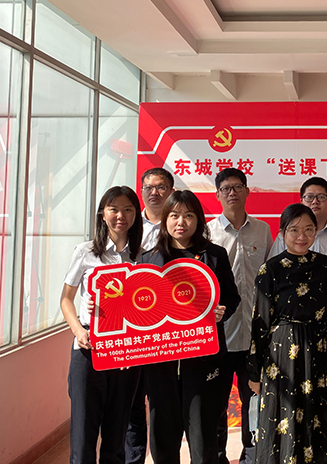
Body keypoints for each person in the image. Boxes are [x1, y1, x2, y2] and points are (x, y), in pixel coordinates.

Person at [141, 190, 241, 464]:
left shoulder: (215, 255)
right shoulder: (148, 259)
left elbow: (232, 297)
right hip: (161, 363)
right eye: (174, 215)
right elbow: (141, 309)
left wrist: (222, 312)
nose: (181, 222)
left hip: (203, 360)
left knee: (203, 436)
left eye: (188, 215)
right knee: (163, 436)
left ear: (198, 220)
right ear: (165, 219)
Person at [60, 185, 144, 464]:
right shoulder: (86, 251)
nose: (121, 216)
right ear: (103, 213)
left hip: (127, 352)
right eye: (114, 209)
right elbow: (66, 299)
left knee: (116, 434)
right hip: (89, 348)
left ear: (136, 214)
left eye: (128, 209)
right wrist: (78, 331)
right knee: (83, 434)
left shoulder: (143, 256)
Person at [248, 203, 327, 464]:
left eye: (309, 229)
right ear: (282, 233)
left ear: (316, 231)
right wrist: (254, 371)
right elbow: (260, 322)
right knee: (282, 415)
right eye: (294, 230)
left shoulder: (325, 265)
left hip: (317, 353)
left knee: (316, 417)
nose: (302, 236)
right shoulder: (270, 269)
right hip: (281, 357)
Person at [207, 168, 272, 464]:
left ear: (247, 191)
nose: (232, 193)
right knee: (216, 404)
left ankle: (251, 457)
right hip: (219, 335)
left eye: (237, 187)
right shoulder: (208, 232)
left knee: (254, 403)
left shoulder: (263, 230)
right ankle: (218, 457)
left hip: (255, 335)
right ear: (218, 195)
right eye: (226, 188)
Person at [126, 167, 175, 464]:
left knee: (160, 403)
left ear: (171, 191)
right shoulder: (129, 225)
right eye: (148, 187)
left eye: (161, 187)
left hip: (166, 330)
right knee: (131, 403)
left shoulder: (177, 225)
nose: (154, 192)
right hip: (133, 326)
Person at [271, 176, 327, 284]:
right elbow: (273, 271)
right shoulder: (286, 236)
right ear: (301, 202)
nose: (315, 201)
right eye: (309, 197)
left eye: (321, 197)